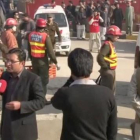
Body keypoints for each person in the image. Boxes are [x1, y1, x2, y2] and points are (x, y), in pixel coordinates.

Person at [51, 48, 117, 140]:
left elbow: (54, 101)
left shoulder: (65, 94)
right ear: (91, 68)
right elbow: (112, 131)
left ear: (71, 68)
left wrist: (71, 79)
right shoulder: (108, 94)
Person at [0, 48, 45, 140]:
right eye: (7, 60)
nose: (7, 64)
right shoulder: (5, 75)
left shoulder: (33, 79)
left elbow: (41, 102)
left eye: (12, 61)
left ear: (22, 63)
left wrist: (21, 105)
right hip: (7, 128)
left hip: (24, 131)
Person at [28, 18, 58, 95]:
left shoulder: (30, 35)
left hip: (34, 61)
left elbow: (29, 49)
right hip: (43, 62)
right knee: (43, 81)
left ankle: (35, 96)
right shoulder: (45, 36)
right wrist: (55, 61)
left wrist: (32, 59)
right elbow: (50, 52)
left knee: (36, 80)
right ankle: (42, 100)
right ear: (44, 27)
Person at [97, 25, 122, 93]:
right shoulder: (107, 45)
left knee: (111, 90)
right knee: (107, 91)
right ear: (111, 35)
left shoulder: (110, 44)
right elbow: (100, 57)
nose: (118, 37)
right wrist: (105, 67)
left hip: (110, 70)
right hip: (108, 71)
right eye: (116, 35)